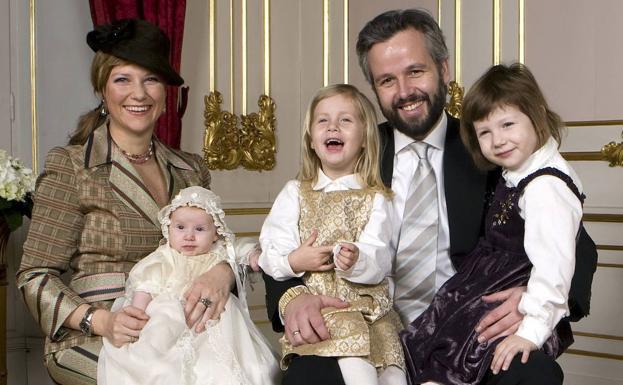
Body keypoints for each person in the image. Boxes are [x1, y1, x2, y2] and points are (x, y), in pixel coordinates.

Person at [263, 8, 597, 385]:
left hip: (469, 331)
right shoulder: (354, 150)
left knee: (530, 373)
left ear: (444, 69)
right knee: (309, 377)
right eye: (387, 80)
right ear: (374, 89)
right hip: (366, 328)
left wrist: (531, 295)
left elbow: (576, 242)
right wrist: (291, 297)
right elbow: (292, 223)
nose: (404, 91)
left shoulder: (489, 147)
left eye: (415, 72)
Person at [16, 19, 236, 384]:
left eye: (150, 79)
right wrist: (98, 320)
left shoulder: (192, 170)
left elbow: (224, 247)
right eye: (123, 79)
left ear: (165, 93)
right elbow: (34, 276)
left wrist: (222, 273)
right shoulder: (72, 166)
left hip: (183, 331)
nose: (139, 93)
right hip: (96, 335)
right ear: (103, 89)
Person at [401, 63, 584, 385]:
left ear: (537, 116)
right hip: (478, 286)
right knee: (436, 353)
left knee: (457, 361)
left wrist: (530, 331)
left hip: (513, 296)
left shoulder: (545, 187)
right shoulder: (519, 170)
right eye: (485, 132)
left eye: (508, 124)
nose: (498, 140)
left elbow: (555, 266)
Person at [259, 84, 406, 385]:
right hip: (323, 312)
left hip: (368, 310)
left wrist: (356, 260)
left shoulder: (378, 197)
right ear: (311, 140)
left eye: (345, 120)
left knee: (392, 373)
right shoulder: (295, 193)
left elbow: (379, 254)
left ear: (365, 138)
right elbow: (271, 251)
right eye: (322, 120)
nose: (332, 127)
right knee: (357, 370)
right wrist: (295, 260)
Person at [97, 186, 279, 385]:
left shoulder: (219, 252)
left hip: (217, 318)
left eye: (199, 229)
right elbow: (147, 282)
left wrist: (254, 257)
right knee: (160, 360)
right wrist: (136, 313)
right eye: (180, 227)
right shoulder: (165, 257)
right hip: (170, 317)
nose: (189, 236)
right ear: (169, 228)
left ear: (216, 233)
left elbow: (242, 251)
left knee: (236, 366)